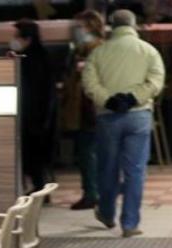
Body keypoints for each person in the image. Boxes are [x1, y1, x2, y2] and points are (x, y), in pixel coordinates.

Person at [82, 9, 165, 238]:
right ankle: (130, 224)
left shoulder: (98, 53)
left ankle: (107, 214)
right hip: (139, 115)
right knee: (135, 171)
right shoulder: (149, 51)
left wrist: (108, 99)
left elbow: (89, 82)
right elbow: (156, 81)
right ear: (134, 24)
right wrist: (133, 98)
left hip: (107, 117)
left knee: (107, 168)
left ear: (111, 25)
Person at [61, 10, 105, 210]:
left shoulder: (95, 49)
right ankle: (92, 191)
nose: (76, 30)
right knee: (87, 152)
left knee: (88, 152)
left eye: (80, 26)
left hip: (89, 109)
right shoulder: (81, 48)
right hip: (83, 108)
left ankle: (92, 192)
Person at [10, 19, 57, 195]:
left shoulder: (32, 58)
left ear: (27, 37)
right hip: (41, 116)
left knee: (34, 155)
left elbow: (34, 89)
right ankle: (41, 188)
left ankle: (40, 189)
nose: (13, 39)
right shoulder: (38, 55)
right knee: (37, 156)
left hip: (35, 117)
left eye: (16, 36)